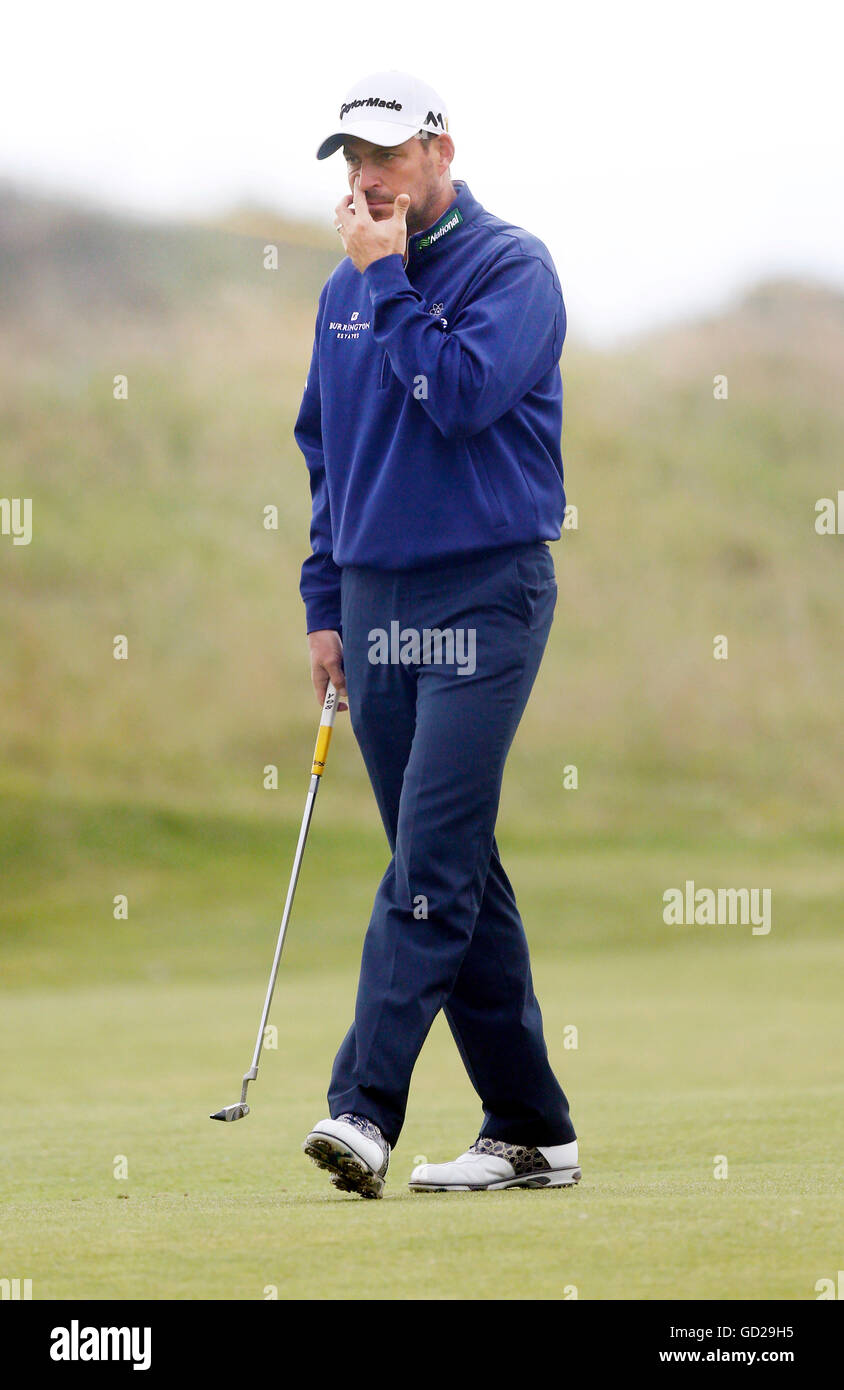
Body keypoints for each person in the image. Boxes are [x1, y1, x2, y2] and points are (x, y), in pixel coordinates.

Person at [296, 70, 579, 1197]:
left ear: (438, 151)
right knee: (455, 865)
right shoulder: (340, 293)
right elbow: (329, 456)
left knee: (430, 855)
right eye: (349, 160)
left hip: (481, 593)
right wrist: (323, 606)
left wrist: (390, 279)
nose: (365, 177)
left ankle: (361, 1107)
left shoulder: (513, 268)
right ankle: (529, 1128)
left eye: (385, 154)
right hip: (373, 601)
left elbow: (456, 394)